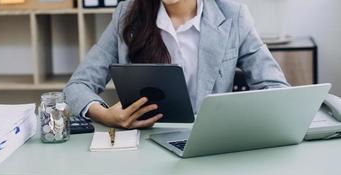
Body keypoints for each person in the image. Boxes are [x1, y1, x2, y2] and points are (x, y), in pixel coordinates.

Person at [63, 0, 289, 129]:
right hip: (147, 141)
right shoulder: (127, 14)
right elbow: (77, 86)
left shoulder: (233, 14)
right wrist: (105, 116)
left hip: (211, 143)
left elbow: (275, 87)